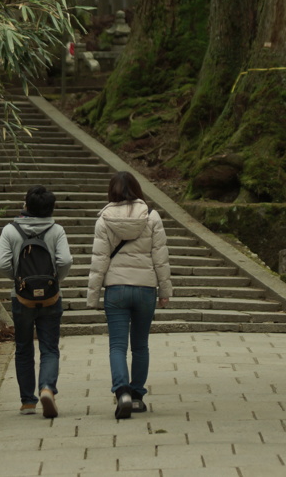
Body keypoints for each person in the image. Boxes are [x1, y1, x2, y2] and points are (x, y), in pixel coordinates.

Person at [86, 171, 172, 419]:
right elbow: (160, 258)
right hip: (145, 289)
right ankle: (136, 396)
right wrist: (165, 291)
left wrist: (92, 297)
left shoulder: (104, 220)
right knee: (141, 345)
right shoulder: (152, 217)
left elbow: (99, 261)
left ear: (111, 191)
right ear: (136, 188)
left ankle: (121, 391)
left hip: (116, 290)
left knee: (117, 346)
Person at [0, 185, 73, 418]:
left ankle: (28, 401)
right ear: (51, 208)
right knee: (49, 348)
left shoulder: (10, 230)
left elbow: (0, 263)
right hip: (51, 297)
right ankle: (47, 388)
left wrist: (18, 280)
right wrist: (54, 280)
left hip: (21, 298)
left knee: (23, 348)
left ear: (26, 206)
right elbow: (66, 260)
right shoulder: (56, 230)